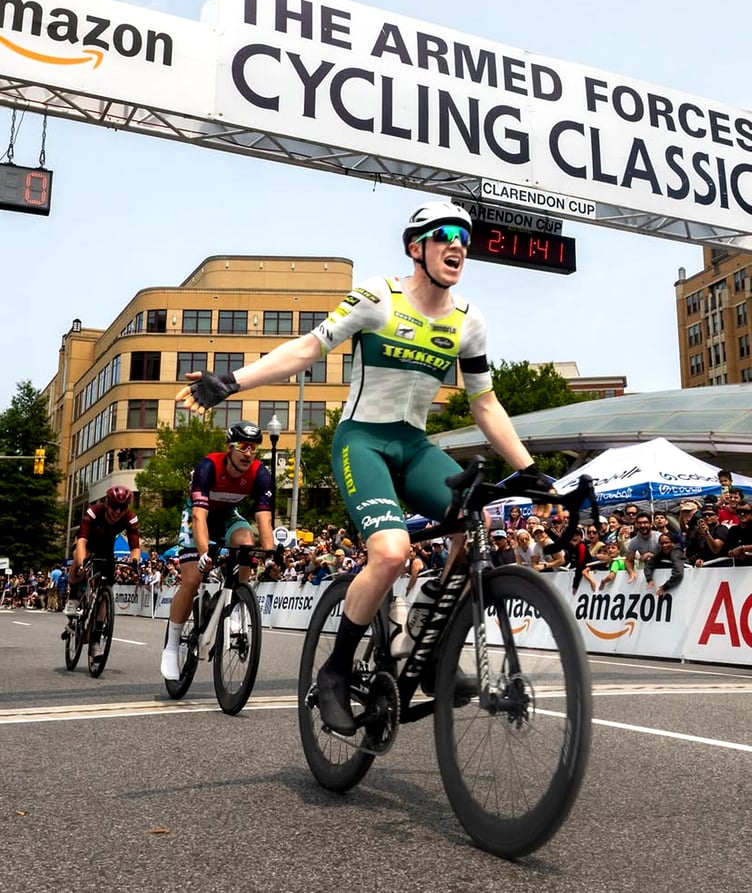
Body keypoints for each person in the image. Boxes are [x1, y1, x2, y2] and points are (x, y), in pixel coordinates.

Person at [174, 200, 551, 735]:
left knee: (478, 523)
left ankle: (424, 638)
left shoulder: (469, 321)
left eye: (465, 237)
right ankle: (334, 671)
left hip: (414, 446)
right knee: (393, 552)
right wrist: (232, 383)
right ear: (415, 247)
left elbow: (484, 403)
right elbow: (307, 349)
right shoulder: (379, 297)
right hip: (363, 442)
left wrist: (529, 468)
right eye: (444, 234)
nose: (457, 244)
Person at [160, 422, 274, 680]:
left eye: (254, 448)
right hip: (199, 516)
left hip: (227, 517)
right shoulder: (208, 467)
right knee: (191, 580)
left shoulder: (260, 473)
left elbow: (263, 518)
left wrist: (270, 553)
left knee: (246, 542)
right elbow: (199, 517)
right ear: (229, 448)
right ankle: (171, 646)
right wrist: (203, 554)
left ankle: (237, 606)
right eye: (243, 446)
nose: (249, 453)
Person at [65, 486, 141, 656]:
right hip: (87, 544)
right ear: (107, 503)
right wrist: (82, 562)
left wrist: (135, 562)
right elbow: (82, 540)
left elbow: (135, 546)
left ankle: (96, 640)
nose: (117, 511)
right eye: (114, 506)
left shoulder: (130, 518)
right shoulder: (94, 511)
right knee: (78, 561)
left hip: (106, 550)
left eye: (122, 508)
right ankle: (74, 598)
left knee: (106, 592)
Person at [624, 512, 660, 583]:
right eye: (639, 523)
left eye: (645, 522)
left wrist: (650, 555)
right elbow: (628, 560)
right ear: (636, 525)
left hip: (663, 568)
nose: (642, 525)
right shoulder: (634, 541)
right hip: (647, 571)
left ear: (651, 524)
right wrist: (631, 572)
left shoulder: (659, 537)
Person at [722, 501, 752, 565]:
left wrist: (743, 548)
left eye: (746, 512)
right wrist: (732, 552)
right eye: (739, 512)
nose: (742, 514)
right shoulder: (733, 530)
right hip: (738, 569)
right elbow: (725, 549)